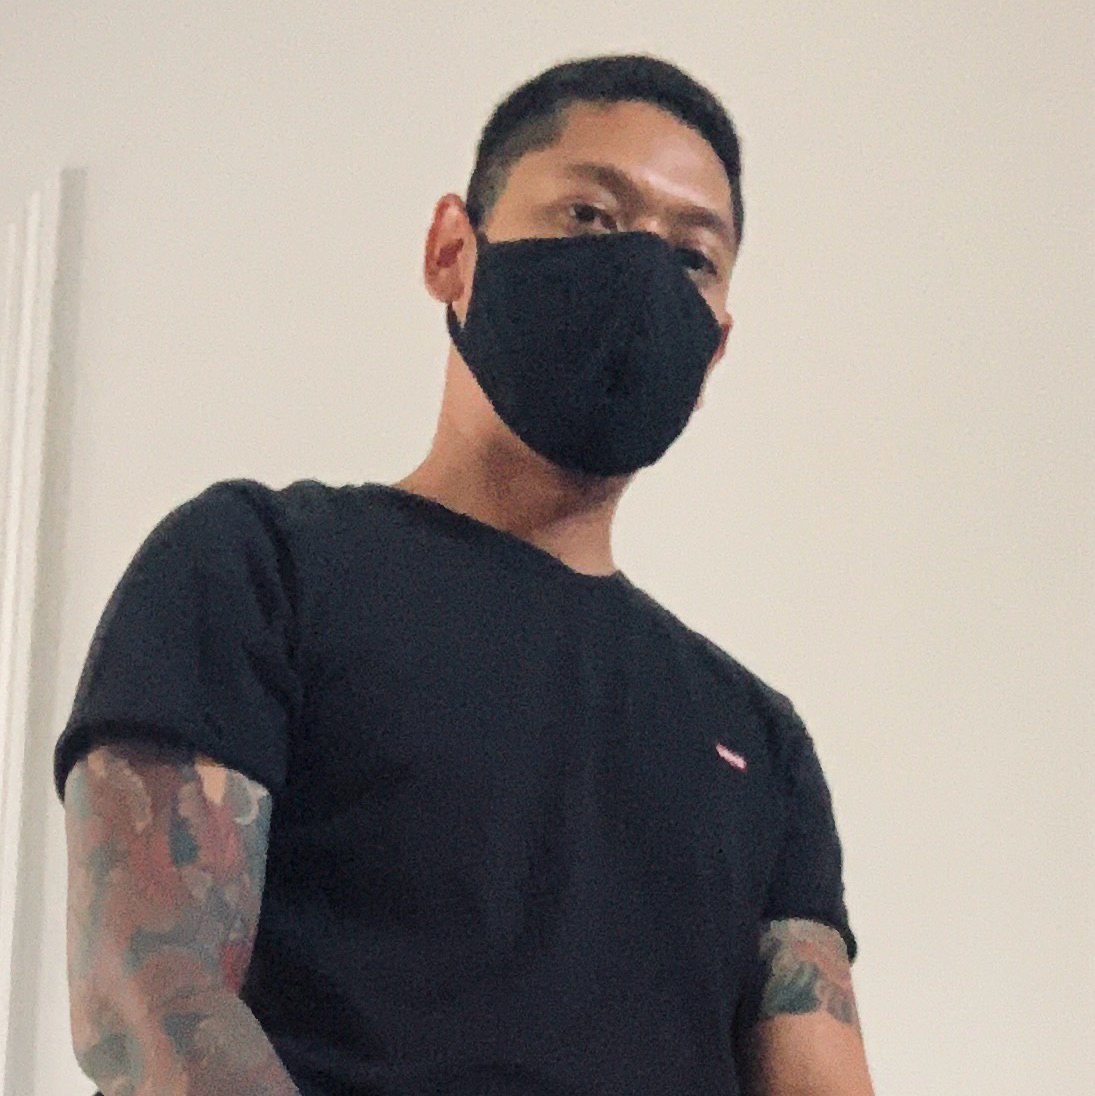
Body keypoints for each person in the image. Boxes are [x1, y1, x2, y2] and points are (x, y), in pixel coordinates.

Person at [54, 52, 876, 1096]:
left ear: (713, 349)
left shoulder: (760, 739)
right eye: (590, 215)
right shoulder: (256, 567)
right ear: (453, 250)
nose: (641, 274)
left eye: (693, 258)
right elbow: (150, 1001)